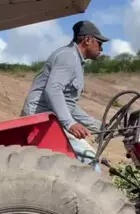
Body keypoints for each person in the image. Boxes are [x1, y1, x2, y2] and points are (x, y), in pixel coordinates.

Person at [21, 20, 108, 171]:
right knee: (89, 161)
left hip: (50, 119)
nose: (101, 48)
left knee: (88, 158)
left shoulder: (75, 60)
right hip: (41, 121)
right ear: (87, 40)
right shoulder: (68, 57)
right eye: (99, 43)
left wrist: (100, 126)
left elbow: (69, 105)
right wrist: (70, 123)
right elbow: (53, 90)